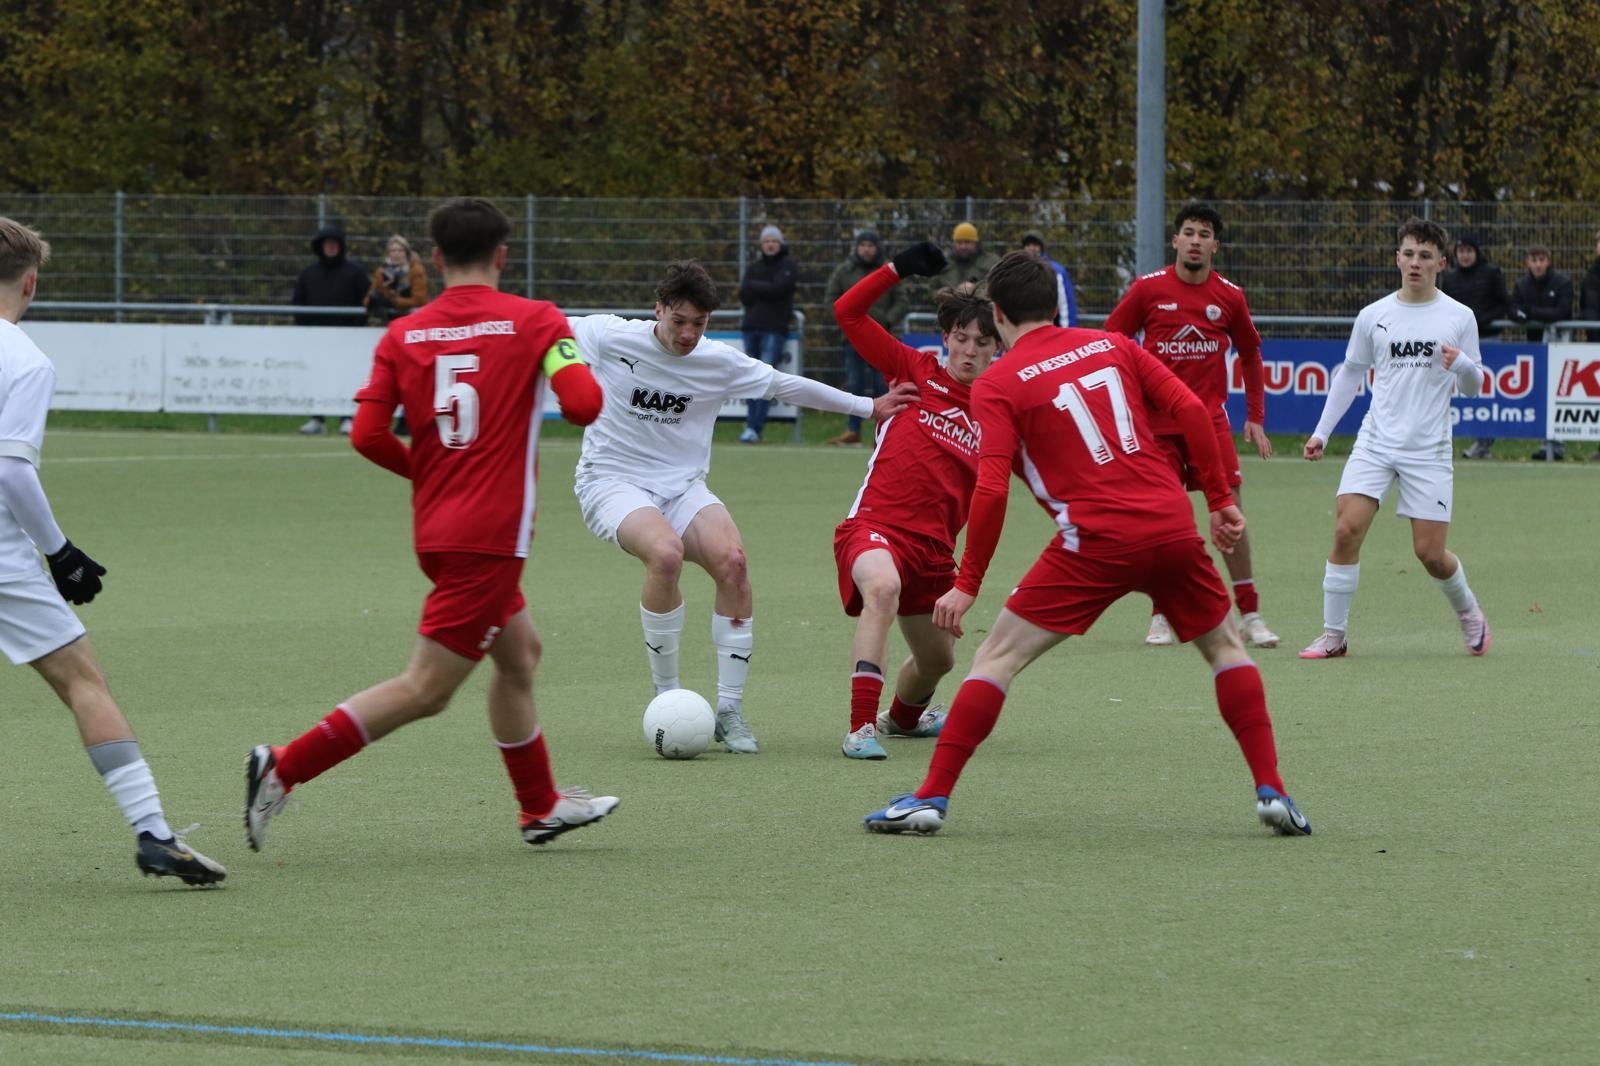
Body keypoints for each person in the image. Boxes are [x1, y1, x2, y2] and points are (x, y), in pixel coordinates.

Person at [862, 251, 1310, 838]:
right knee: (1226, 648)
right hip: (1171, 524)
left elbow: (991, 489)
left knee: (996, 659)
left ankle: (930, 797)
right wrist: (1220, 499)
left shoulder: (997, 382)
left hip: (1093, 540)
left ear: (999, 315)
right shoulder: (1113, 345)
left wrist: (967, 583)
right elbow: (1191, 409)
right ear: (1054, 307)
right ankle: (1272, 789)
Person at [244, 197, 617, 853]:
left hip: (439, 530)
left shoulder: (403, 333)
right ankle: (283, 765)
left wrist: (430, 472)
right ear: (502, 255)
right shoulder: (537, 320)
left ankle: (540, 806)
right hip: (490, 540)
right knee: (426, 689)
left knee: (520, 655)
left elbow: (366, 435)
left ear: (437, 258)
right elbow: (584, 404)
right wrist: (556, 365)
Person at [569, 261, 918, 754]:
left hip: (682, 487)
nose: (688, 334)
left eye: (699, 323)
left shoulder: (718, 362)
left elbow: (786, 385)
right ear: (658, 310)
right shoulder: (609, 335)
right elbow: (540, 329)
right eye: (679, 321)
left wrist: (868, 406)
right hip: (611, 481)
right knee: (665, 554)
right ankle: (668, 699)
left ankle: (729, 709)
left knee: (733, 564)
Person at [0, 217, 226, 886]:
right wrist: (61, 552)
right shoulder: (25, 360)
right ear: (30, 283)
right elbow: (11, 471)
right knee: (83, 682)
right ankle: (155, 834)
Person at [831, 241, 999, 760]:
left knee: (939, 661)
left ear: (998, 348)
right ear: (946, 337)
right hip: (876, 528)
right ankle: (860, 728)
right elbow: (848, 312)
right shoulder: (913, 369)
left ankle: (903, 719)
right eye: (961, 338)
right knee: (882, 588)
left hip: (935, 553)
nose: (969, 350)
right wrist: (896, 268)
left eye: (982, 343)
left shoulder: (1000, 410)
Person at [1299, 217, 1489, 660]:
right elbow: (1350, 374)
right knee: (1345, 529)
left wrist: (1463, 364)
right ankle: (1334, 636)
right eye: (1408, 254)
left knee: (1430, 554)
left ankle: (1468, 610)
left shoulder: (1459, 317)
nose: (1415, 262)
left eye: (1425, 255)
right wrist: (1322, 432)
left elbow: (1474, 386)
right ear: (1397, 259)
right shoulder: (1374, 316)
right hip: (1376, 443)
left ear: (1441, 263)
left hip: (1429, 450)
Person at [1103, 202, 1278, 649]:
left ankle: (1250, 614)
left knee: (1231, 514)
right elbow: (1110, 343)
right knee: (1166, 517)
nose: (1195, 241)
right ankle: (1162, 613)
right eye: (1189, 232)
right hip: (1156, 426)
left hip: (1209, 423)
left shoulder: (1230, 296)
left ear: (1215, 245)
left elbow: (1251, 355)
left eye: (1204, 234)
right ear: (1175, 240)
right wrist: (1122, 403)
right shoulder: (1147, 290)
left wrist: (1255, 416)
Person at [823, 231, 908, 445]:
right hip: (853, 340)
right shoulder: (844, 271)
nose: (867, 249)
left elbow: (901, 301)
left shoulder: (887, 271)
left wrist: (887, 320)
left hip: (881, 339)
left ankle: (884, 431)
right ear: (857, 247)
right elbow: (831, 300)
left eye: (871, 245)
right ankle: (853, 431)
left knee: (883, 385)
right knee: (855, 384)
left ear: (876, 248)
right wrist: (847, 323)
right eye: (863, 245)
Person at [293, 222, 370, 436]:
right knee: (316, 375)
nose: (331, 248)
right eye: (327, 244)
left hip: (347, 337)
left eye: (334, 243)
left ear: (341, 246)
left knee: (345, 376)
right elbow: (298, 303)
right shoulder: (309, 273)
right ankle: (317, 418)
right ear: (320, 247)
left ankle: (347, 417)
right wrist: (306, 329)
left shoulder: (355, 273)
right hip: (316, 336)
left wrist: (356, 329)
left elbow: (365, 301)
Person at [1440, 233, 1508, 460]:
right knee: (1452, 392)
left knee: (1486, 394)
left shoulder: (1491, 273)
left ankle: (1484, 444)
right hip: (1457, 344)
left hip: (1488, 339)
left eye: (1469, 251)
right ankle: (1441, 440)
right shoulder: (1449, 278)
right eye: (1461, 251)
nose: (1465, 255)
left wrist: (1479, 321)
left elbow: (1503, 304)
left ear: (1476, 252)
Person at [1510, 244, 1574, 461]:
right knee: (1539, 395)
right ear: (1527, 263)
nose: (1538, 264)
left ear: (1549, 261)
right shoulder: (1522, 284)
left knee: (1558, 394)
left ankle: (1557, 445)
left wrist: (1531, 313)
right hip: (1535, 349)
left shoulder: (1562, 282)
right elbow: (1513, 309)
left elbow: (1562, 311)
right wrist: (1523, 314)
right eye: (1534, 260)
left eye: (1541, 259)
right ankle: (1546, 443)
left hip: (1559, 348)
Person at [737, 224, 798, 443]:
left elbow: (777, 290)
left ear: (780, 243)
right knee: (750, 378)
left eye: (774, 241)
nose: (770, 244)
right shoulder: (754, 267)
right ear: (761, 245)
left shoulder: (788, 266)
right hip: (750, 327)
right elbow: (744, 295)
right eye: (766, 241)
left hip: (774, 328)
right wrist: (764, 288)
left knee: (763, 378)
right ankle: (750, 426)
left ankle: (755, 428)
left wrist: (755, 286)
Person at [365, 234, 430, 324]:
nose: (396, 254)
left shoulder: (415, 270)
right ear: (389, 253)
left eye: (400, 250)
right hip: (389, 320)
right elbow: (369, 297)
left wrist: (394, 301)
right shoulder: (381, 272)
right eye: (393, 251)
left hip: (413, 318)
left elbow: (419, 300)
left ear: (406, 253)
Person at [1020, 231, 1079, 327]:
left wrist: (1067, 330)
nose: (1031, 248)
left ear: (1041, 247)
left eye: (1035, 245)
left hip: (1051, 327)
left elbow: (1065, 305)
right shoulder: (1018, 270)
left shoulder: (1055, 271)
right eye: (1028, 245)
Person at [930, 222, 1000, 296]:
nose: (963, 246)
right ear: (954, 244)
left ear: (976, 243)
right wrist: (949, 293)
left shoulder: (991, 262)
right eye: (959, 242)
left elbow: (1000, 288)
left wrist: (976, 290)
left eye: (967, 242)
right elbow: (932, 290)